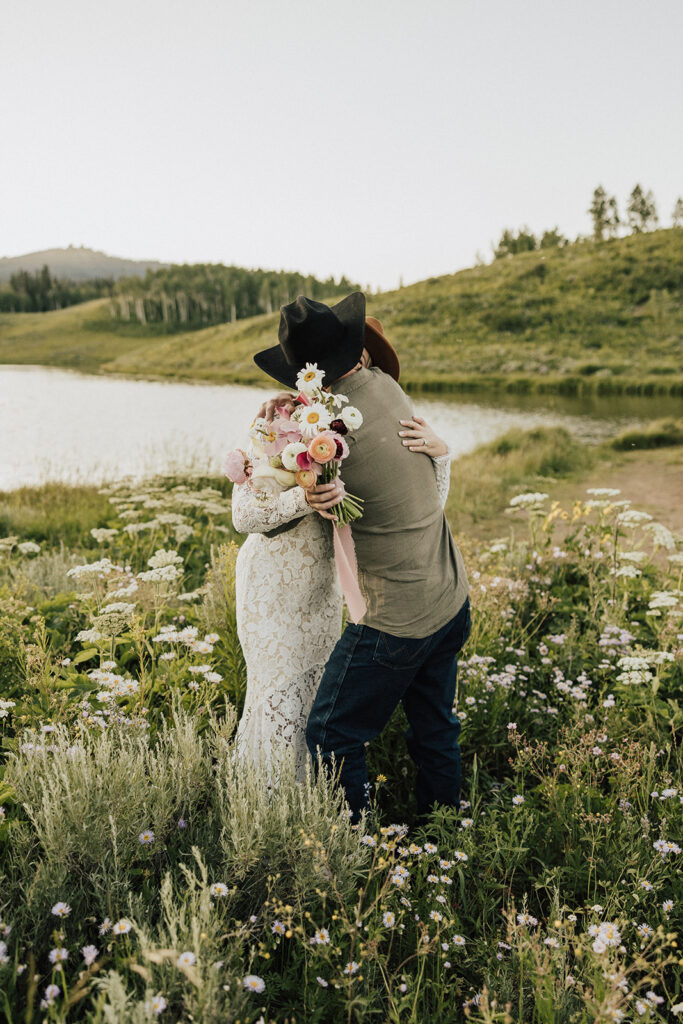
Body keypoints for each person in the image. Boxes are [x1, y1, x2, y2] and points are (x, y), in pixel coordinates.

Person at [253, 292, 470, 820]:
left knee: (330, 732)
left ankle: (359, 842)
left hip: (395, 620)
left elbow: (265, 506)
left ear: (309, 377)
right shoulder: (390, 390)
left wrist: (274, 431)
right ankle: (446, 827)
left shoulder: (326, 435)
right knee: (435, 723)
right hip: (449, 596)